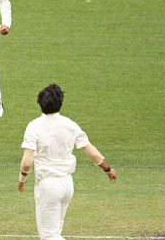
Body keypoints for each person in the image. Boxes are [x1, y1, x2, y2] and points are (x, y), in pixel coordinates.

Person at [18, 84, 117, 240]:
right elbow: (91, 152)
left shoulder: (34, 126)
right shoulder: (70, 125)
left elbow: (26, 163)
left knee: (49, 236)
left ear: (40, 104)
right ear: (60, 104)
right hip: (67, 185)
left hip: (48, 186)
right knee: (54, 232)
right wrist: (108, 169)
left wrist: (22, 180)